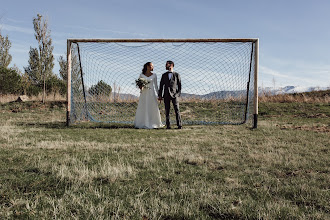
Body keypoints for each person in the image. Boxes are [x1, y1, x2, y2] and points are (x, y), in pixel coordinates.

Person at [134, 62, 164, 129]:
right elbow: (139, 85)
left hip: (151, 93)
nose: (152, 67)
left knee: (152, 107)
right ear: (147, 66)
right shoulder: (141, 75)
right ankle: (142, 123)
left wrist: (159, 95)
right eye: (151, 66)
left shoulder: (154, 75)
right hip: (144, 93)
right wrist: (140, 86)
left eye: (152, 66)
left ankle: (154, 123)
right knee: (143, 106)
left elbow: (156, 86)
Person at [158, 60, 182, 129]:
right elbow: (161, 86)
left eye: (167, 64)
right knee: (167, 110)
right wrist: (160, 95)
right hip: (166, 95)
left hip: (175, 95)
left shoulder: (177, 75)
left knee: (177, 110)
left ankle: (179, 125)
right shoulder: (164, 75)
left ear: (171, 65)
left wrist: (177, 94)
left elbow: (179, 86)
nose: (165, 66)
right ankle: (168, 125)